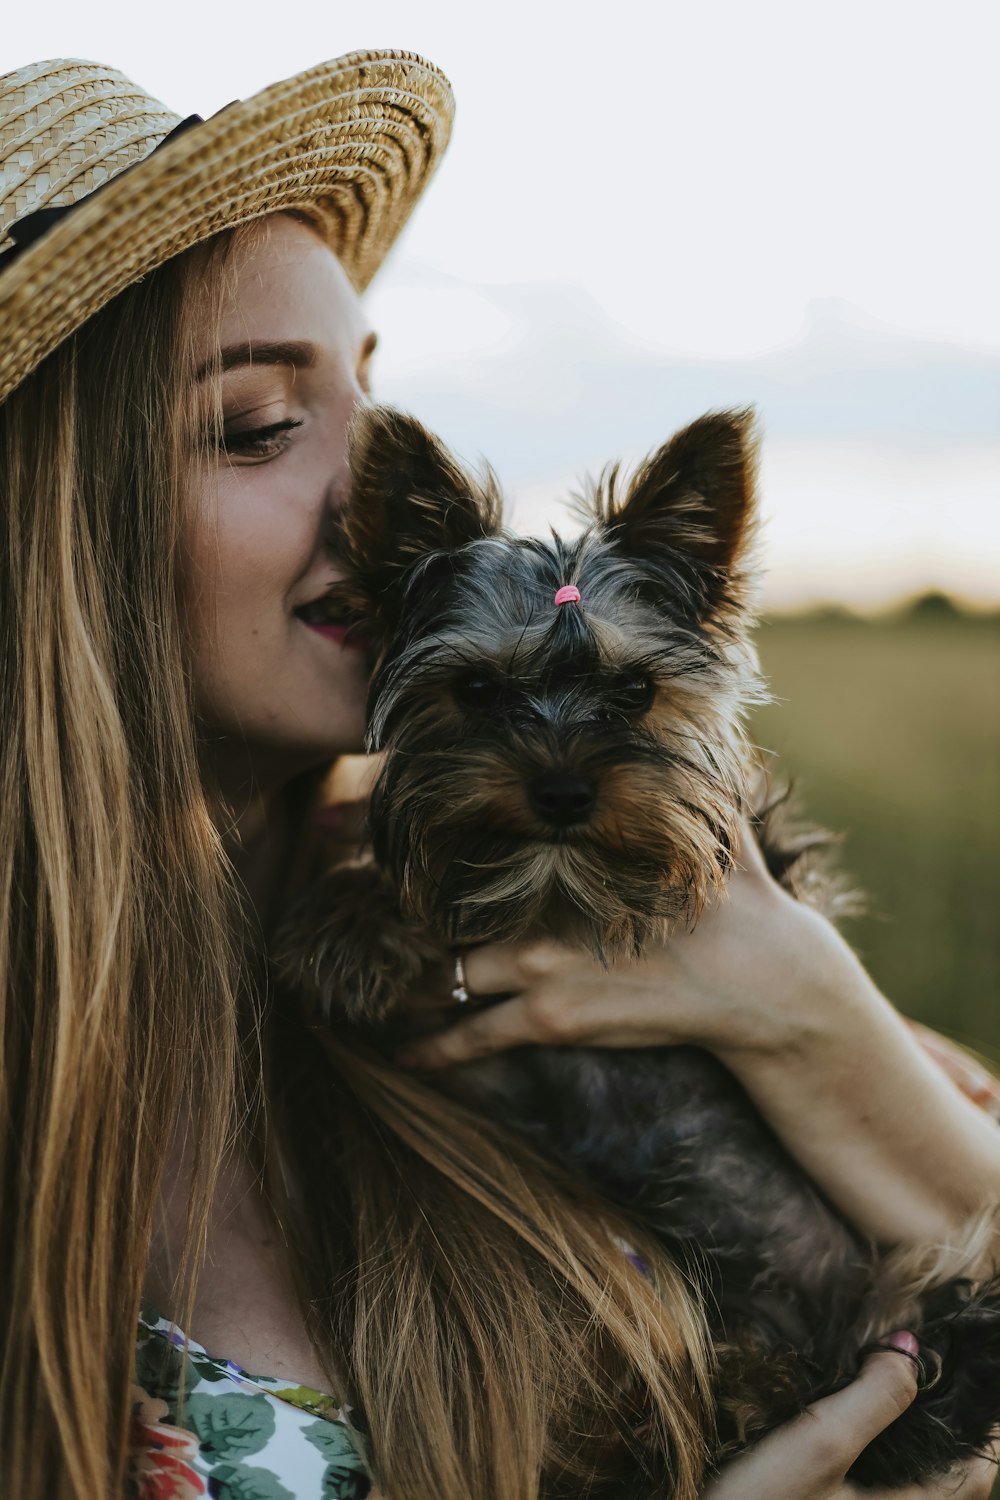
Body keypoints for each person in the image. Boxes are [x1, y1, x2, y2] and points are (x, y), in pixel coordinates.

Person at [0, 54, 997, 1500]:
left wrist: (811, 1012)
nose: (371, 492)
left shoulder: (639, 932)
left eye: (372, 399)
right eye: (263, 426)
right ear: (51, 525)